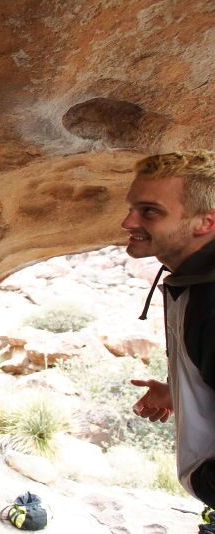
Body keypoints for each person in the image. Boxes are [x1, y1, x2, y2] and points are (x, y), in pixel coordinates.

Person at [123, 151, 215, 513]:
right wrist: (182, 389)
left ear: (204, 223)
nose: (126, 221)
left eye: (149, 211)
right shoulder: (193, 280)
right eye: (132, 208)